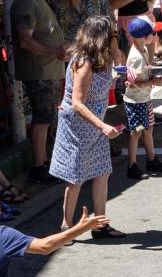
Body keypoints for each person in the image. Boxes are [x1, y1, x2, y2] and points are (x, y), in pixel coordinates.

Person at [49, 16, 121, 235]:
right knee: (76, 176)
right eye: (112, 34)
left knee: (102, 171)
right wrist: (102, 126)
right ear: (101, 38)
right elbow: (77, 103)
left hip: (94, 123)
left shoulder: (104, 58)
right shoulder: (84, 62)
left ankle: (100, 225)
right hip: (78, 125)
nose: (116, 37)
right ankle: (66, 226)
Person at [10, 0, 69, 181]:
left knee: (47, 117)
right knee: (42, 118)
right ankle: (39, 166)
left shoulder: (37, 1)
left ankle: (46, 162)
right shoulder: (27, 3)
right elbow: (25, 40)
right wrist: (54, 51)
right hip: (39, 72)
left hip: (48, 72)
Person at [120, 17, 162, 177]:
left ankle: (152, 160)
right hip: (136, 101)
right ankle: (132, 165)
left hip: (144, 99)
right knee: (136, 132)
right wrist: (153, 81)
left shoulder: (142, 49)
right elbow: (131, 83)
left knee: (148, 128)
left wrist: (152, 79)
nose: (155, 35)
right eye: (153, 33)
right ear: (144, 36)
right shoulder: (137, 57)